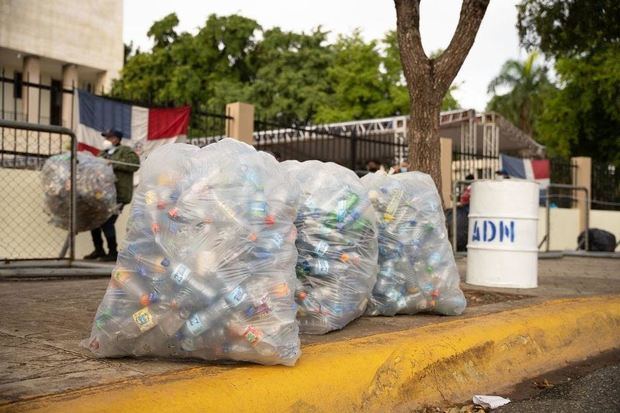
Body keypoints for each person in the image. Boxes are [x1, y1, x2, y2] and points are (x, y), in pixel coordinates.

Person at [84, 129, 140, 261]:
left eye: (109, 137)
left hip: (118, 194)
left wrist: (113, 164)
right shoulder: (102, 153)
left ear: (116, 139)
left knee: (107, 222)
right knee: (95, 221)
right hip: (102, 194)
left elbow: (134, 165)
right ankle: (99, 250)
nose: (106, 140)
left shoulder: (126, 151)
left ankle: (113, 252)